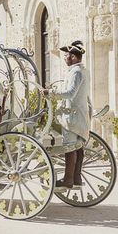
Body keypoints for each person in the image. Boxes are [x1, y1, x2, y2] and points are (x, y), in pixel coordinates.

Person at [43, 40, 91, 188]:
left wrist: (50, 92)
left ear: (74, 57)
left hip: (72, 116)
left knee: (70, 148)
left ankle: (68, 180)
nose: (64, 57)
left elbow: (70, 93)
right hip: (79, 115)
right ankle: (76, 179)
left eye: (66, 55)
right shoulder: (82, 71)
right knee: (78, 147)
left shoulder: (76, 72)